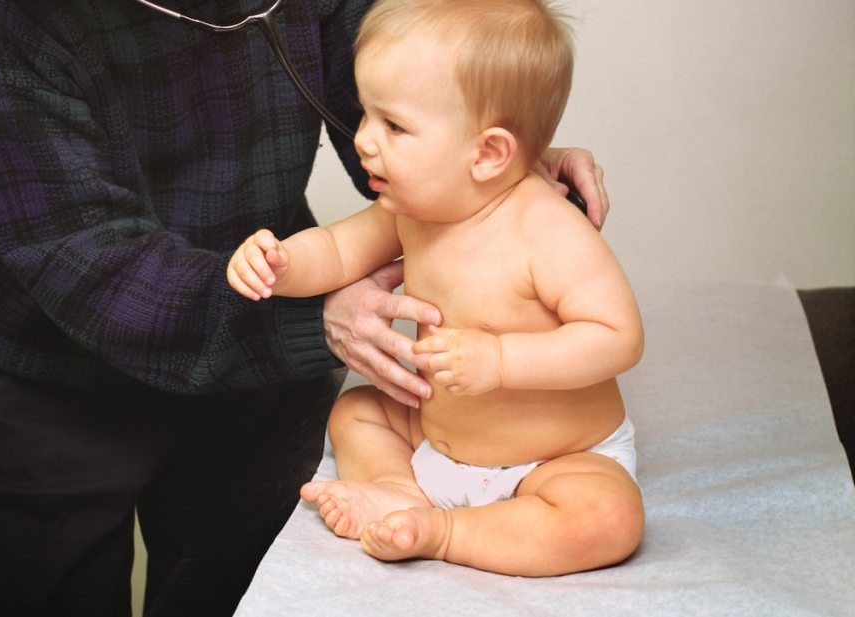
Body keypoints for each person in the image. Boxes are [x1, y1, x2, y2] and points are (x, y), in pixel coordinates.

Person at [0, 0, 608, 614]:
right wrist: (308, 318)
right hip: (47, 370)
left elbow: (403, 96)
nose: (376, 135)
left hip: (250, 373)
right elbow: (76, 253)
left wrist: (504, 178)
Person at [227, 0, 643, 577]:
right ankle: (399, 489)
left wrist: (501, 358)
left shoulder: (547, 228)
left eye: (393, 125)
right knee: (355, 412)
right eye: (367, 114)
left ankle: (445, 532)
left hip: (554, 458)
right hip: (435, 436)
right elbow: (339, 251)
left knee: (607, 518)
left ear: (489, 153)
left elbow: (617, 338)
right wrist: (279, 262)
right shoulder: (411, 206)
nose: (365, 139)